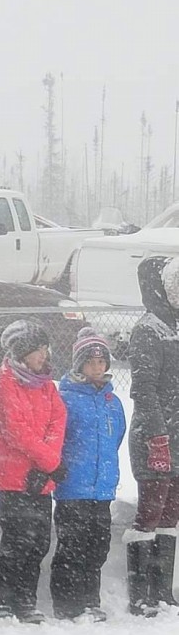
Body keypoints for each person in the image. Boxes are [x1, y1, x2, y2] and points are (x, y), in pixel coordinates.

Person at [0, 320, 67, 623]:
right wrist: (50, 462)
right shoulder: (6, 384)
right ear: (22, 351)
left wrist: (49, 462)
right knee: (17, 541)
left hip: (42, 479)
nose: (44, 355)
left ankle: (25, 598)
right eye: (38, 350)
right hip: (15, 478)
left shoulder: (46, 385)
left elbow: (58, 421)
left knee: (38, 542)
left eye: (45, 349)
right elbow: (17, 432)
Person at [50, 331, 126, 621]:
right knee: (72, 546)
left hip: (102, 489)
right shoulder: (66, 399)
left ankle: (89, 599)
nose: (97, 367)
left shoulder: (112, 402)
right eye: (91, 361)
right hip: (73, 488)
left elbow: (116, 436)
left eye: (102, 361)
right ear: (79, 364)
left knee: (98, 546)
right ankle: (67, 604)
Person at [124, 254, 179, 615]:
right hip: (154, 436)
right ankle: (140, 591)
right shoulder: (148, 330)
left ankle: (162, 588)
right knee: (150, 511)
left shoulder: (174, 327)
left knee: (172, 513)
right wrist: (158, 438)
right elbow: (144, 390)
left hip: (177, 435)